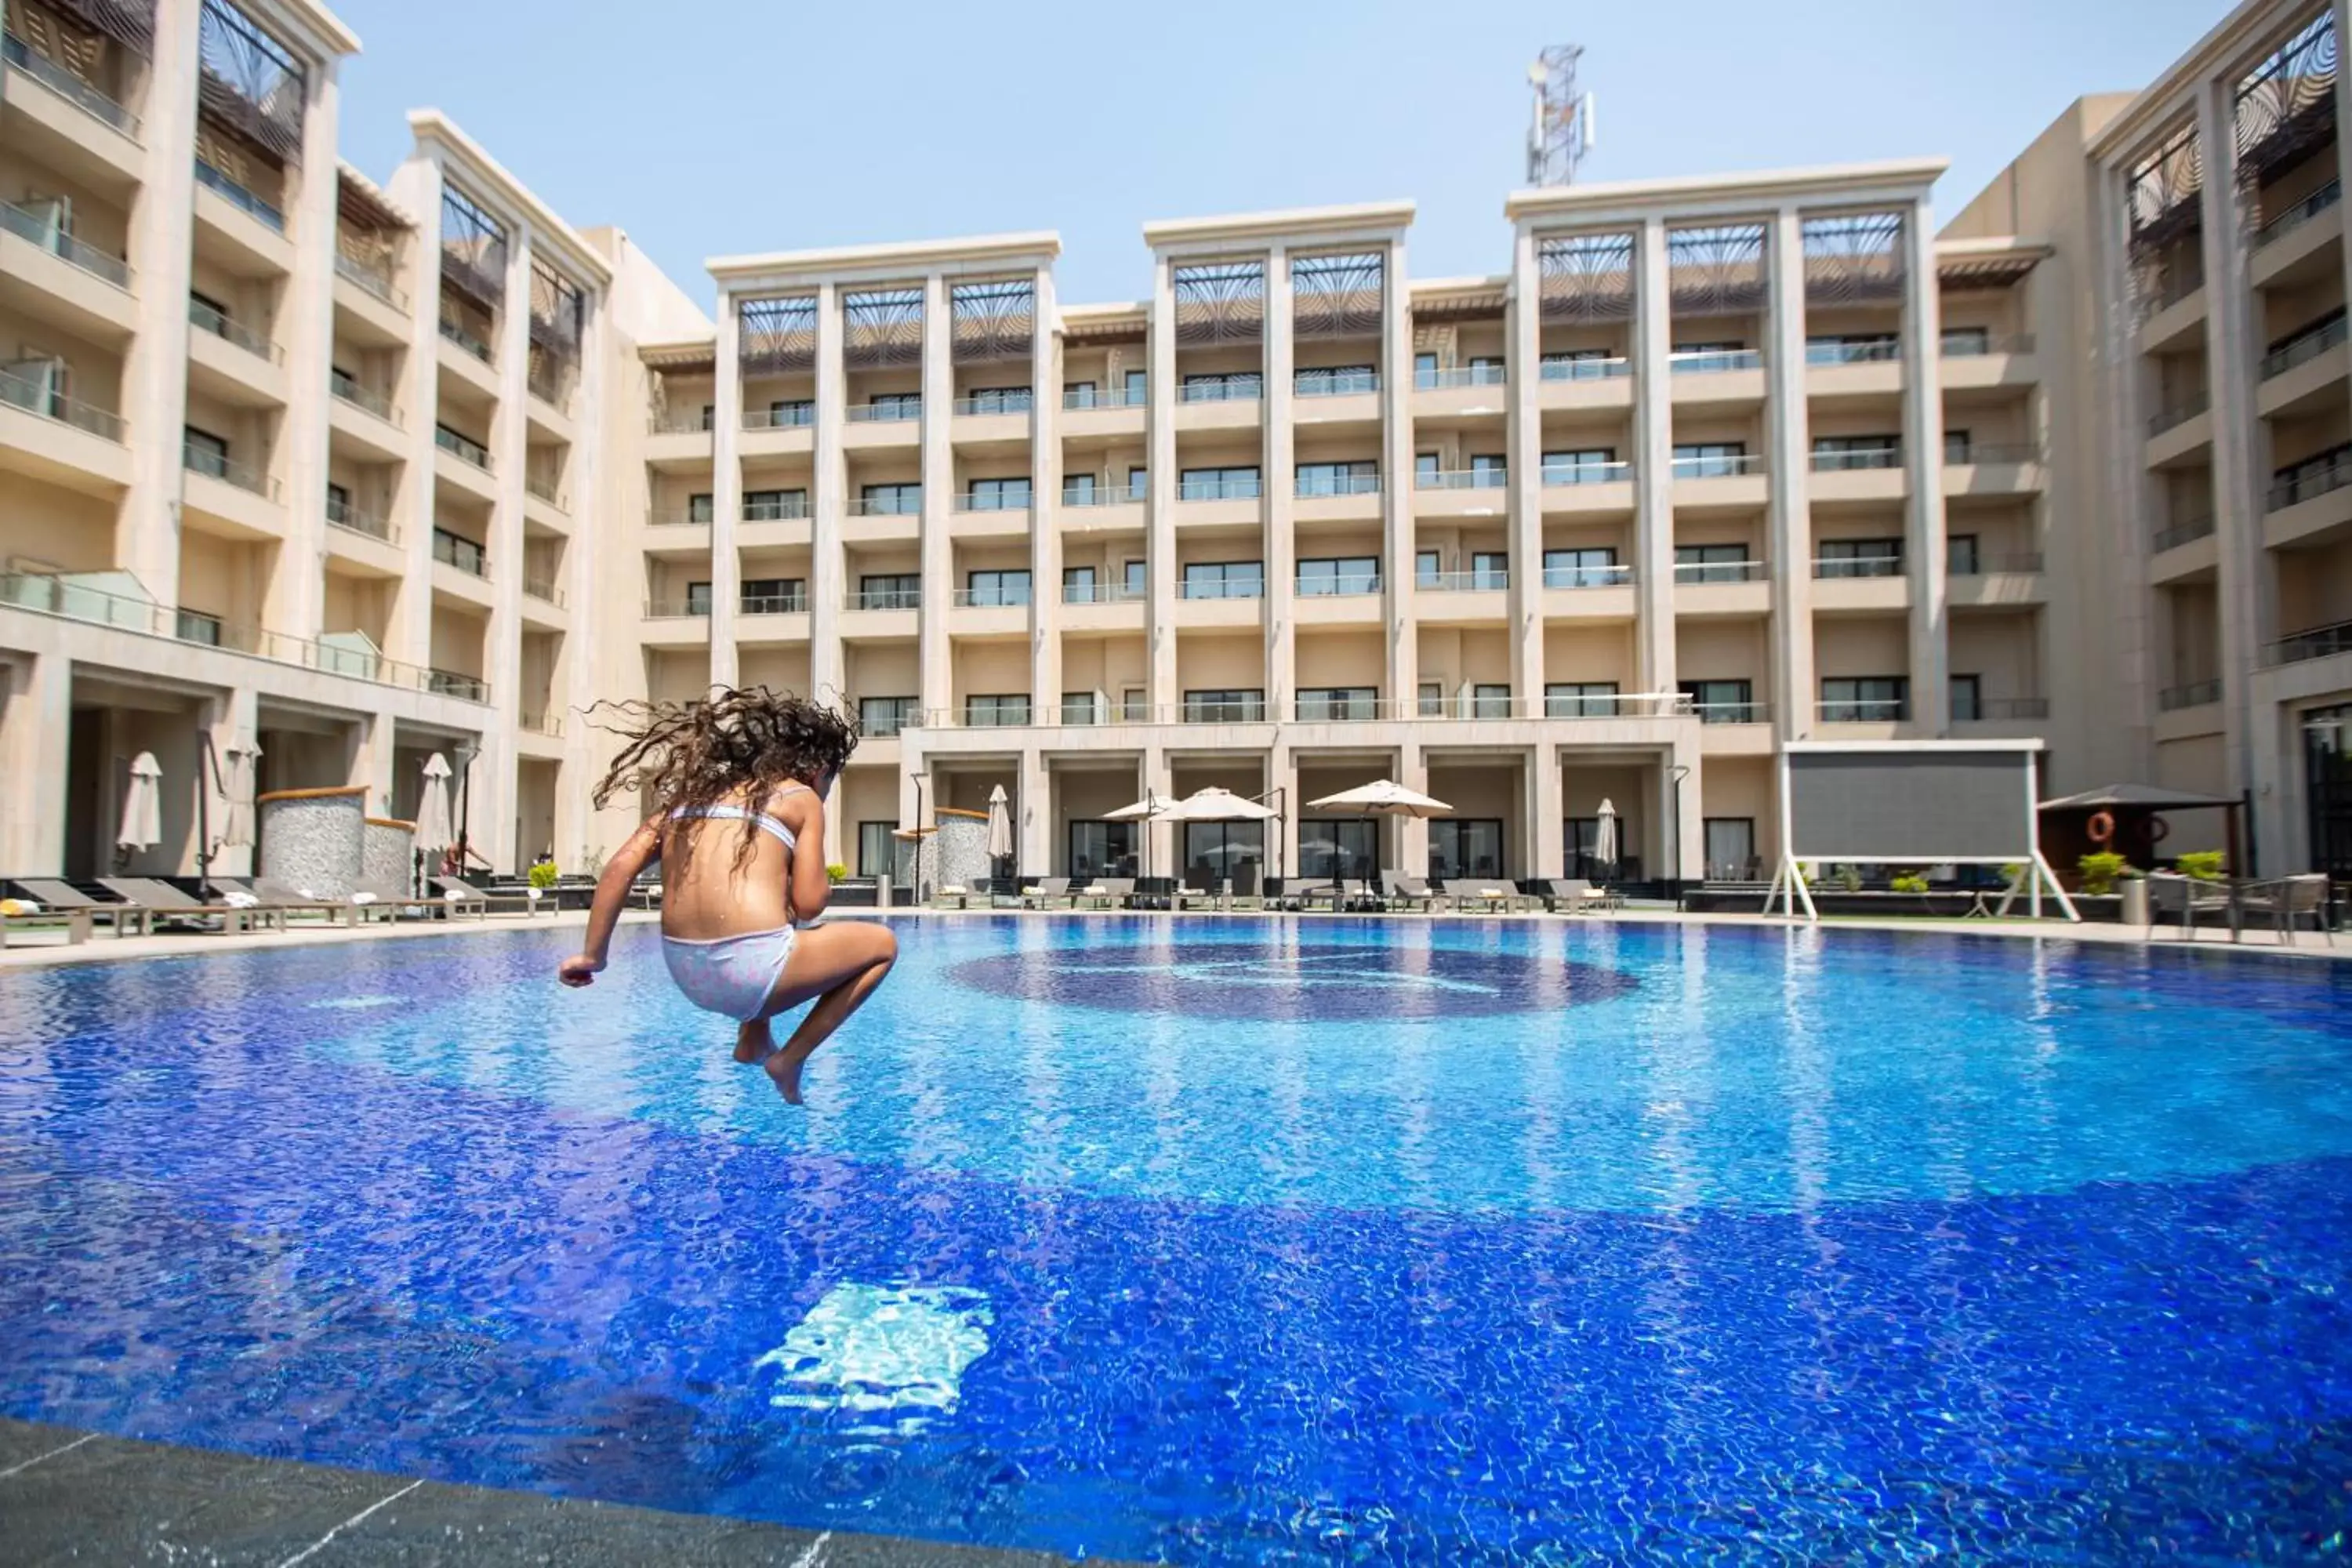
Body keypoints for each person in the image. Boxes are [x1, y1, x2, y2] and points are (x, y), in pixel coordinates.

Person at [557, 687, 898, 1105]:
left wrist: (594, 956)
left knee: (778, 920)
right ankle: (790, 1058)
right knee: (882, 945)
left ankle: (753, 1038)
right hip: (750, 969)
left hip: (688, 974)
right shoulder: (800, 797)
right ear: (816, 768)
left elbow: (620, 866)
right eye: (831, 779)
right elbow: (811, 903)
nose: (827, 789)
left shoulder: (690, 798)